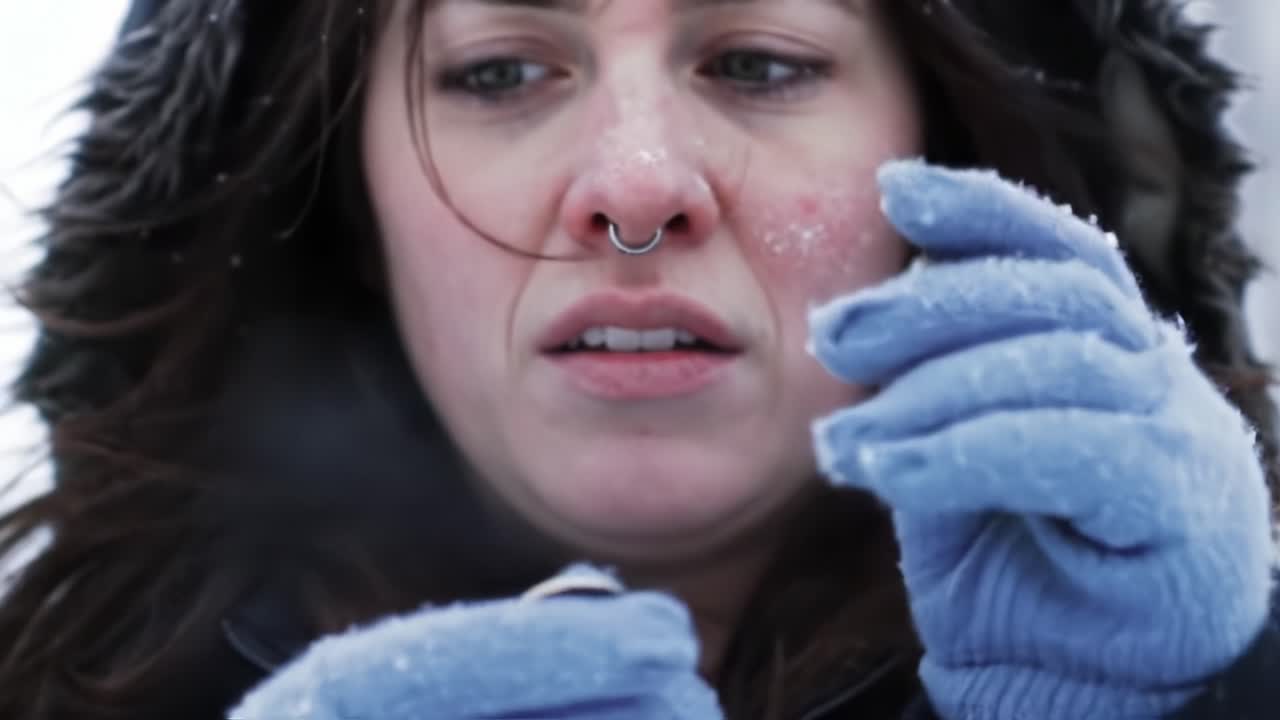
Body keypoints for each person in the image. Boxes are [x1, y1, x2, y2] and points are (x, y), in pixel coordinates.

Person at [1, 0, 1277, 717]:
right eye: (499, 72)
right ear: (343, 196)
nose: (633, 191)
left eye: (759, 64)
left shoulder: (1199, 652)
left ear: (949, 150)